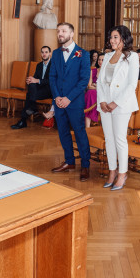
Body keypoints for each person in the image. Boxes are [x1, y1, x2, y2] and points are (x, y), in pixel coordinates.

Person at [97, 26, 139, 191]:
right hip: (105, 104)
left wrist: (116, 102)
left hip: (121, 104)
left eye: (115, 37)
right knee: (109, 139)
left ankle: (122, 173)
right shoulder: (107, 55)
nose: (112, 41)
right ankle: (112, 171)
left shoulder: (132, 57)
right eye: (111, 37)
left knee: (119, 139)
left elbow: (131, 85)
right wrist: (102, 101)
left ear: (124, 38)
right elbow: (100, 81)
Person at [49, 22, 92, 181]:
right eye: (58, 30)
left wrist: (68, 98)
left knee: (80, 133)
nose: (60, 33)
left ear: (72, 34)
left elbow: (83, 81)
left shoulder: (83, 54)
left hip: (74, 102)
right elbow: (52, 77)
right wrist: (57, 98)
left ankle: (85, 165)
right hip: (59, 101)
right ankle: (69, 161)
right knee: (63, 133)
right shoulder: (55, 53)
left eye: (63, 31)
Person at [11, 46, 52, 129]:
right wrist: (30, 80)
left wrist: (36, 81)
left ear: (50, 54)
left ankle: (24, 119)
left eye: (46, 52)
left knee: (29, 95)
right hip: (39, 90)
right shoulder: (39, 65)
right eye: (42, 52)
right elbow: (35, 78)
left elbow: (51, 81)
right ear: (40, 54)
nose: (44, 54)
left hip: (49, 91)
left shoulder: (54, 65)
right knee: (31, 86)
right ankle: (30, 112)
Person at [84, 53, 103, 127]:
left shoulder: (108, 72)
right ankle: (87, 127)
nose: (100, 61)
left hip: (103, 93)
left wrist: (95, 85)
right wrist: (98, 86)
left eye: (103, 60)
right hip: (92, 92)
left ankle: (87, 125)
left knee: (91, 93)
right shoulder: (93, 70)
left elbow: (106, 87)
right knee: (90, 92)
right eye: (99, 59)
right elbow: (89, 85)